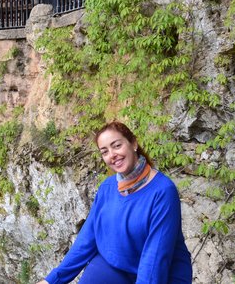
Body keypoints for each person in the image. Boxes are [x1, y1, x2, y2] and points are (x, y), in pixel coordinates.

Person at [36, 121, 192, 284]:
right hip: (116, 267)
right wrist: (52, 280)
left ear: (133, 143)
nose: (112, 155)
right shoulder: (107, 188)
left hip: (162, 274)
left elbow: (155, 259)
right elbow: (87, 238)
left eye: (117, 146)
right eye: (105, 152)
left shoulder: (162, 191)